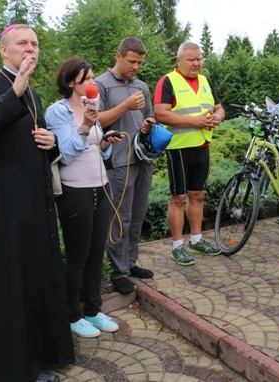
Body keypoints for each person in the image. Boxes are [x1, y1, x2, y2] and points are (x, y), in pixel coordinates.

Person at [0, 24, 74, 382]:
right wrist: (16, 89)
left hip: (35, 202)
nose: (31, 49)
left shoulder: (36, 95)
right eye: (23, 43)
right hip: (7, 207)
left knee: (38, 276)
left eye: (35, 44)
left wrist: (51, 139)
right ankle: (17, 368)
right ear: (4, 50)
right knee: (13, 281)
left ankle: (44, 353)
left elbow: (37, 143)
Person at [45, 58, 121, 338]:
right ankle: (72, 316)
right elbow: (64, 153)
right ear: (70, 84)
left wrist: (105, 142)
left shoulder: (92, 106)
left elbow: (96, 151)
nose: (92, 83)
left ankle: (93, 310)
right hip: (75, 191)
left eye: (91, 77)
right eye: (85, 79)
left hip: (100, 188)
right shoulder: (58, 112)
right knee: (77, 258)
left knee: (95, 254)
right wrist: (87, 127)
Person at [154, 42, 225, 265]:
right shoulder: (168, 81)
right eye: (191, 59)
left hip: (202, 146)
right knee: (179, 198)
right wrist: (195, 121)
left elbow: (219, 107)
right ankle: (177, 245)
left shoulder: (205, 81)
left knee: (198, 195)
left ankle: (196, 240)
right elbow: (160, 114)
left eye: (199, 59)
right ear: (179, 61)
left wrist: (218, 117)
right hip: (178, 148)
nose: (196, 63)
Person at [95, 37, 156, 294]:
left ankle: (130, 263)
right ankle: (118, 273)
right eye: (132, 61)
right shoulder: (101, 84)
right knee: (121, 218)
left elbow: (149, 115)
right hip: (118, 161)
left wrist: (148, 123)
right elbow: (95, 121)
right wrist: (125, 106)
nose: (136, 67)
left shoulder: (141, 86)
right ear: (118, 56)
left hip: (141, 159)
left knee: (138, 215)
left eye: (140, 62)